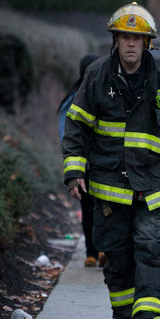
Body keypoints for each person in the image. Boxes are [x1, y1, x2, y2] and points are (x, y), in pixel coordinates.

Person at [62, 2, 160, 319]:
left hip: (154, 182)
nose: (131, 44)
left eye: (137, 38)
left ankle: (150, 318)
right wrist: (75, 170)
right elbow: (76, 125)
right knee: (118, 255)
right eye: (125, 37)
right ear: (115, 40)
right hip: (110, 186)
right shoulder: (96, 76)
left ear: (147, 43)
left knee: (151, 247)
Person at [57, 53, 107, 268]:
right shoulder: (75, 98)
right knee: (89, 209)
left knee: (104, 208)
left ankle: (103, 249)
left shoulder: (106, 93)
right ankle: (92, 251)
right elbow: (66, 131)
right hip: (84, 165)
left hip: (104, 162)